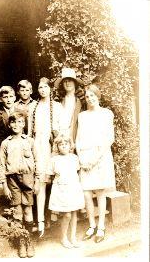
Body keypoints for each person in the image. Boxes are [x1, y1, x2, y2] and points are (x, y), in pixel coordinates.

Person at [76, 84, 116, 243]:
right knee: (86, 193)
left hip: (100, 156)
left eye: (92, 95)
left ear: (97, 96)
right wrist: (81, 158)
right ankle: (91, 226)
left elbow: (109, 139)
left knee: (100, 192)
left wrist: (95, 159)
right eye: (87, 96)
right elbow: (78, 139)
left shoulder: (107, 114)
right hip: (85, 158)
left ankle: (101, 227)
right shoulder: (82, 116)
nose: (90, 98)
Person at [29, 77, 64, 237]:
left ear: (50, 89)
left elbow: (61, 131)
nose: (42, 90)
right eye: (40, 87)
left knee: (56, 180)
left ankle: (56, 215)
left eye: (45, 87)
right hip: (38, 146)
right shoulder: (33, 107)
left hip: (53, 146)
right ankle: (41, 220)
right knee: (40, 183)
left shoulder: (57, 106)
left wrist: (56, 141)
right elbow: (29, 132)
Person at [0, 111, 36, 258]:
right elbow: (1, 165)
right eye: (13, 122)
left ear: (24, 124)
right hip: (12, 180)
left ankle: (29, 242)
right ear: (9, 124)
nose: (16, 125)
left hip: (27, 178)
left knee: (28, 210)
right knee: (18, 211)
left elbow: (37, 161)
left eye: (20, 122)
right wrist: (4, 186)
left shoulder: (29, 141)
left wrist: (37, 181)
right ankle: (21, 242)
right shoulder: (6, 143)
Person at [46, 134, 85, 248]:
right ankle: (63, 237)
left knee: (73, 213)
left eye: (66, 144)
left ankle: (72, 237)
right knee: (67, 214)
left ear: (70, 145)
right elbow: (49, 176)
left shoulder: (74, 158)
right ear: (57, 147)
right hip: (61, 189)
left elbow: (77, 172)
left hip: (73, 187)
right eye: (61, 144)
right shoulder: (54, 159)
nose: (63, 146)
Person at [54, 67, 84, 144]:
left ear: (75, 83)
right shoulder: (58, 101)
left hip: (77, 135)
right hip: (62, 137)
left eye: (70, 81)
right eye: (65, 81)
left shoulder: (82, 101)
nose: (67, 84)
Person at [0, 86, 17, 155]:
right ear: (0, 99)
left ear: (15, 98)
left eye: (11, 96)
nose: (8, 100)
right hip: (5, 151)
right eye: (5, 97)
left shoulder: (21, 113)